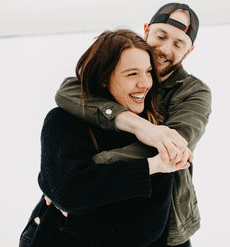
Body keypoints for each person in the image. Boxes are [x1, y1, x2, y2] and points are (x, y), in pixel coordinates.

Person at [54, 3, 212, 246]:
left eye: (179, 44)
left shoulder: (193, 93)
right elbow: (68, 90)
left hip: (168, 222)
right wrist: (137, 125)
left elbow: (172, 148)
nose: (165, 48)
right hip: (107, 211)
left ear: (189, 52)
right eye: (161, 36)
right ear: (146, 30)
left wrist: (83, 177)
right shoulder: (120, 69)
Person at [19, 29, 192, 247]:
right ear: (103, 78)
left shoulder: (155, 132)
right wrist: (149, 167)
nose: (145, 83)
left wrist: (74, 217)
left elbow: (140, 232)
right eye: (132, 74)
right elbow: (66, 190)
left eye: (148, 72)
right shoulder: (64, 120)